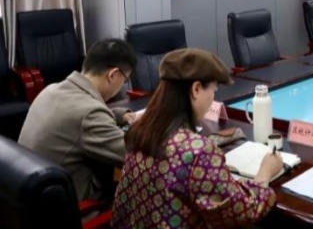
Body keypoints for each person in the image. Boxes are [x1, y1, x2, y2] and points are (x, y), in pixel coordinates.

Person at [112, 48, 281, 228]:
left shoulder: (139, 131)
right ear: (196, 89)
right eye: (213, 91)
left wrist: (217, 173)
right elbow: (244, 211)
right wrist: (265, 172)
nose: (212, 100)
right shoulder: (198, 152)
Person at [18, 39, 137, 201]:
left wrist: (119, 115)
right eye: (125, 80)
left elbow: (79, 116)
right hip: (81, 206)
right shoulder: (90, 114)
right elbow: (134, 154)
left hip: (34, 200)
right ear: (113, 74)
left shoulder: (51, 90)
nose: (122, 85)